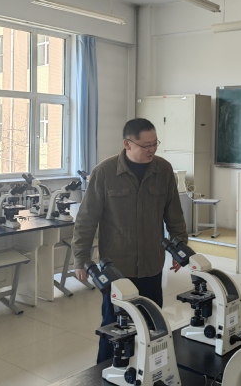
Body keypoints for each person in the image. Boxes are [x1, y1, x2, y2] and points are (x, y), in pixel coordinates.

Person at [72, 118, 188, 363]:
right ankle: (105, 372)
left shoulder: (163, 170)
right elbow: (86, 219)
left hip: (151, 265)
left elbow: (174, 213)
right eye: (146, 145)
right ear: (127, 144)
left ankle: (149, 369)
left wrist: (180, 247)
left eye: (155, 143)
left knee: (152, 323)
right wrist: (81, 259)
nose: (152, 149)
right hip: (116, 269)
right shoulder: (105, 172)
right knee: (114, 327)